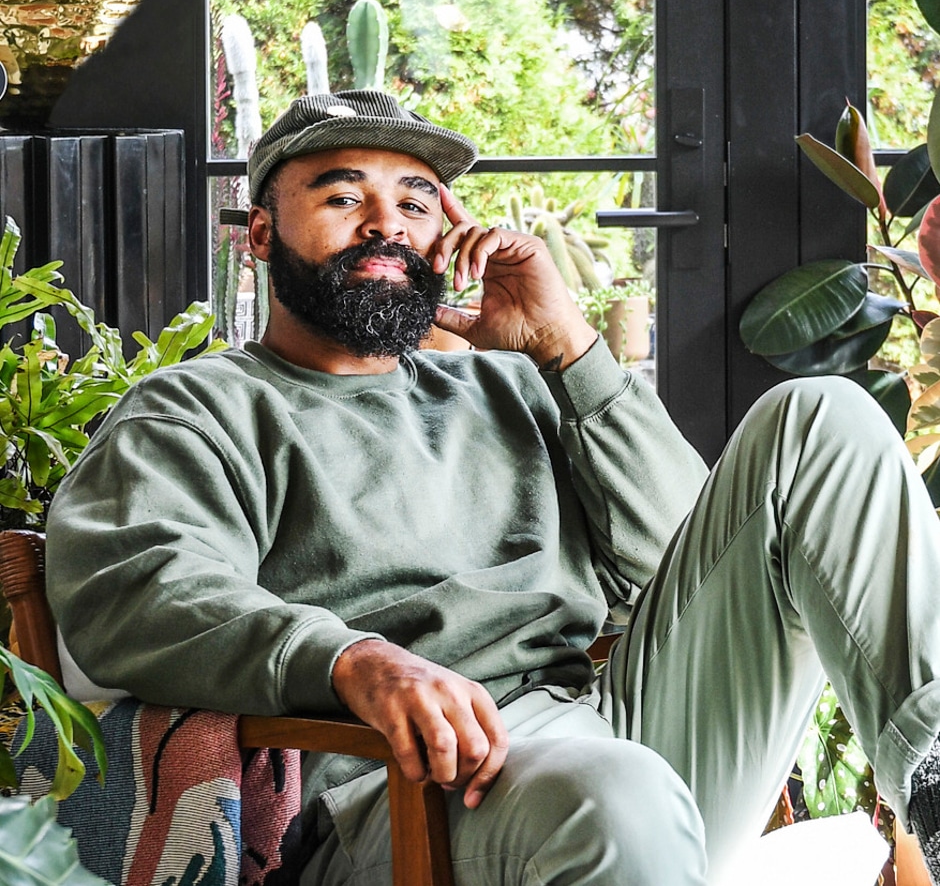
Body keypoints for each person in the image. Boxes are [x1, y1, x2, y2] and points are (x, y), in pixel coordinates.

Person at [46, 89, 940, 886]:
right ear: (260, 236)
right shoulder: (200, 409)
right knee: (615, 797)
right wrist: (349, 658)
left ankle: (936, 787)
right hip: (400, 789)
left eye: (415, 200)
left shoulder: (507, 384)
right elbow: (136, 589)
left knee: (822, 414)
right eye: (342, 195)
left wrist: (567, 349)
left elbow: (686, 551)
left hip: (614, 732)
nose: (384, 224)